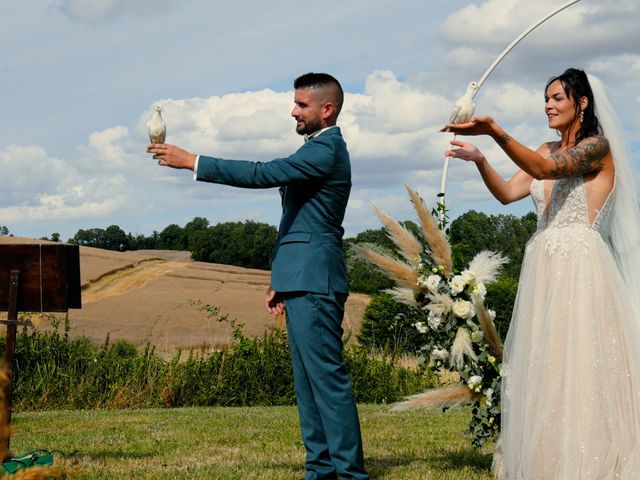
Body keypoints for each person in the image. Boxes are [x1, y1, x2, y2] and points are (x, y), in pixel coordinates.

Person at [147, 73, 369, 480]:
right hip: (301, 278)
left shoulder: (327, 150)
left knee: (327, 380)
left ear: (327, 109)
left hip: (317, 280)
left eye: (301, 105)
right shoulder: (316, 150)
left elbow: (261, 174)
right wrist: (279, 279)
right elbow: (297, 222)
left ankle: (349, 474)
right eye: (295, 103)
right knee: (307, 383)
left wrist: (192, 161)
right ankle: (320, 469)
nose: (293, 110)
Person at [444, 68, 640, 478]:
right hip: (543, 265)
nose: (548, 106)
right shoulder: (543, 147)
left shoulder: (597, 148)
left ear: (581, 103)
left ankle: (592, 459)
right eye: (545, 99)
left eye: (557, 98)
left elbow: (548, 170)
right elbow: (507, 194)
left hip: (581, 264)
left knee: (582, 361)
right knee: (546, 363)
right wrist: (481, 159)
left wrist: (496, 132)